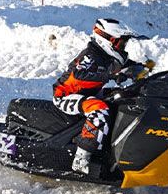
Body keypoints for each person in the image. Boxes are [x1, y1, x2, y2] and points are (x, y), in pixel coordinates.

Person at [52, 18, 154, 175]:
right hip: (66, 95)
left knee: (122, 99)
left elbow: (128, 66)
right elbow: (79, 75)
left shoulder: (110, 57)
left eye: (124, 44)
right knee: (99, 110)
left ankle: (111, 149)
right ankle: (81, 158)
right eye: (120, 43)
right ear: (107, 39)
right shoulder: (90, 55)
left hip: (89, 93)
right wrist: (111, 76)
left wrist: (141, 70)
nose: (122, 47)